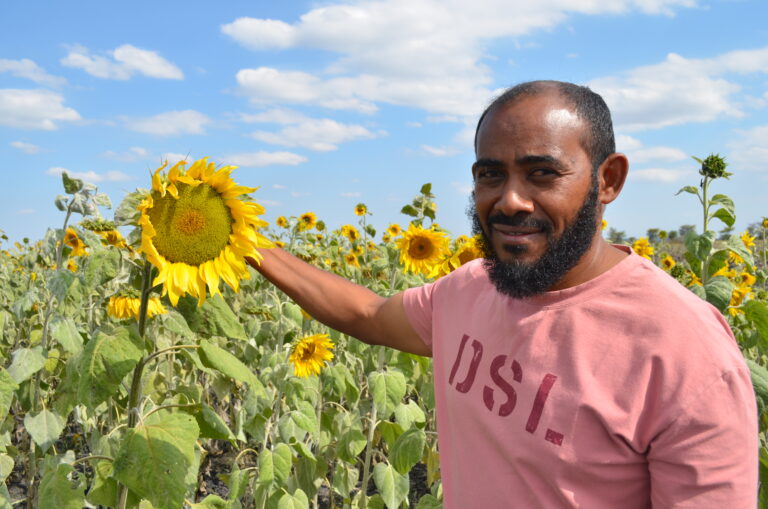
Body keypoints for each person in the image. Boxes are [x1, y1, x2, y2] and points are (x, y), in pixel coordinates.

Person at [247, 80, 758, 508]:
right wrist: (243, 242)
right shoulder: (471, 287)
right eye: (490, 174)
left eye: (542, 173)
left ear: (608, 179)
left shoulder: (687, 356)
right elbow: (369, 312)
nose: (510, 200)